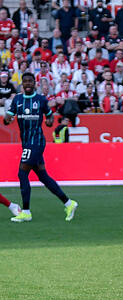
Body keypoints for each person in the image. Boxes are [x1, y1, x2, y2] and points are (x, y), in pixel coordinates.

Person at [4, 72, 78, 223]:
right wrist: (7, 119)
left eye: (31, 81)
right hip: (26, 142)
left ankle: (25, 212)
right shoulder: (17, 99)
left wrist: (49, 122)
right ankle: (69, 203)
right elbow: (8, 118)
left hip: (36, 141)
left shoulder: (41, 100)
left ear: (34, 83)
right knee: (43, 176)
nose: (28, 84)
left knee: (22, 173)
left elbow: (50, 116)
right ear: (22, 84)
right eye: (25, 82)